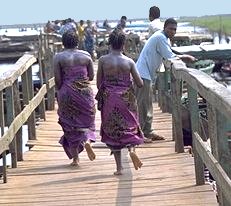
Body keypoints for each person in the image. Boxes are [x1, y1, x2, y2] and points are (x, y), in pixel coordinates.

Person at [135, 18, 197, 143]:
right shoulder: (161, 38)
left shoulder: (162, 38)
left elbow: (167, 53)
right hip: (143, 74)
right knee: (143, 105)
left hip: (146, 74)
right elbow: (170, 57)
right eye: (170, 29)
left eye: (175, 29)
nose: (173, 31)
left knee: (147, 104)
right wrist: (186, 57)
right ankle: (140, 134)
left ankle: (148, 131)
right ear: (165, 28)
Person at [96, 29, 144, 175]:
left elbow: (98, 83)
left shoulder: (103, 60)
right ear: (124, 45)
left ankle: (119, 168)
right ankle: (131, 150)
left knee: (114, 131)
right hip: (126, 99)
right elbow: (140, 83)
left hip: (110, 98)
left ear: (109, 44)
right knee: (130, 127)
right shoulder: (129, 62)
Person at [53, 31, 96, 167]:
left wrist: (62, 92)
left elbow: (58, 80)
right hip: (84, 92)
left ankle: (76, 159)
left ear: (63, 43)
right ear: (78, 42)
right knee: (88, 122)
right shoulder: (86, 56)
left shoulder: (58, 57)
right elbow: (91, 76)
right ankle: (88, 140)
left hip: (67, 92)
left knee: (69, 125)